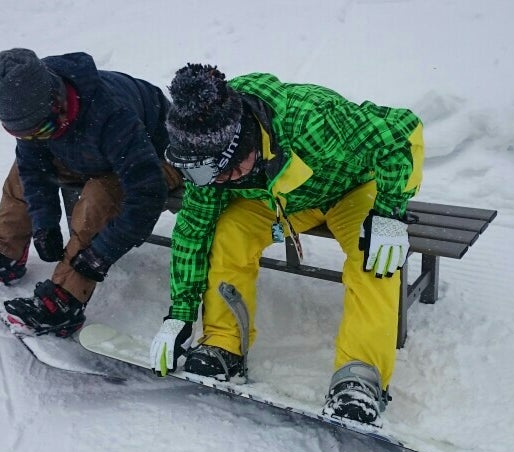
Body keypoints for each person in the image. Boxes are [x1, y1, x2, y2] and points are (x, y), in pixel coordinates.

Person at [150, 63, 424, 427]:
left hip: (352, 189)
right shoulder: (213, 169)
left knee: (372, 254)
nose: (216, 181)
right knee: (228, 232)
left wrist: (390, 211)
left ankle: (360, 375)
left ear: (245, 141)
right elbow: (192, 230)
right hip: (282, 200)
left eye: (225, 169)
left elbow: (401, 130)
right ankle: (222, 343)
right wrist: (180, 313)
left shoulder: (314, 123)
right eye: (204, 173)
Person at [0, 48, 182, 337]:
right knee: (20, 173)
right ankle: (6, 251)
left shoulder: (112, 114)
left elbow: (146, 194)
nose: (36, 138)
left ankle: (64, 300)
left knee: (99, 199)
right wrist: (44, 224)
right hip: (87, 152)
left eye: (43, 128)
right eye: (26, 135)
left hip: (157, 157)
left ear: (57, 100)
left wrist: (101, 253)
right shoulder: (30, 107)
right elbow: (33, 167)